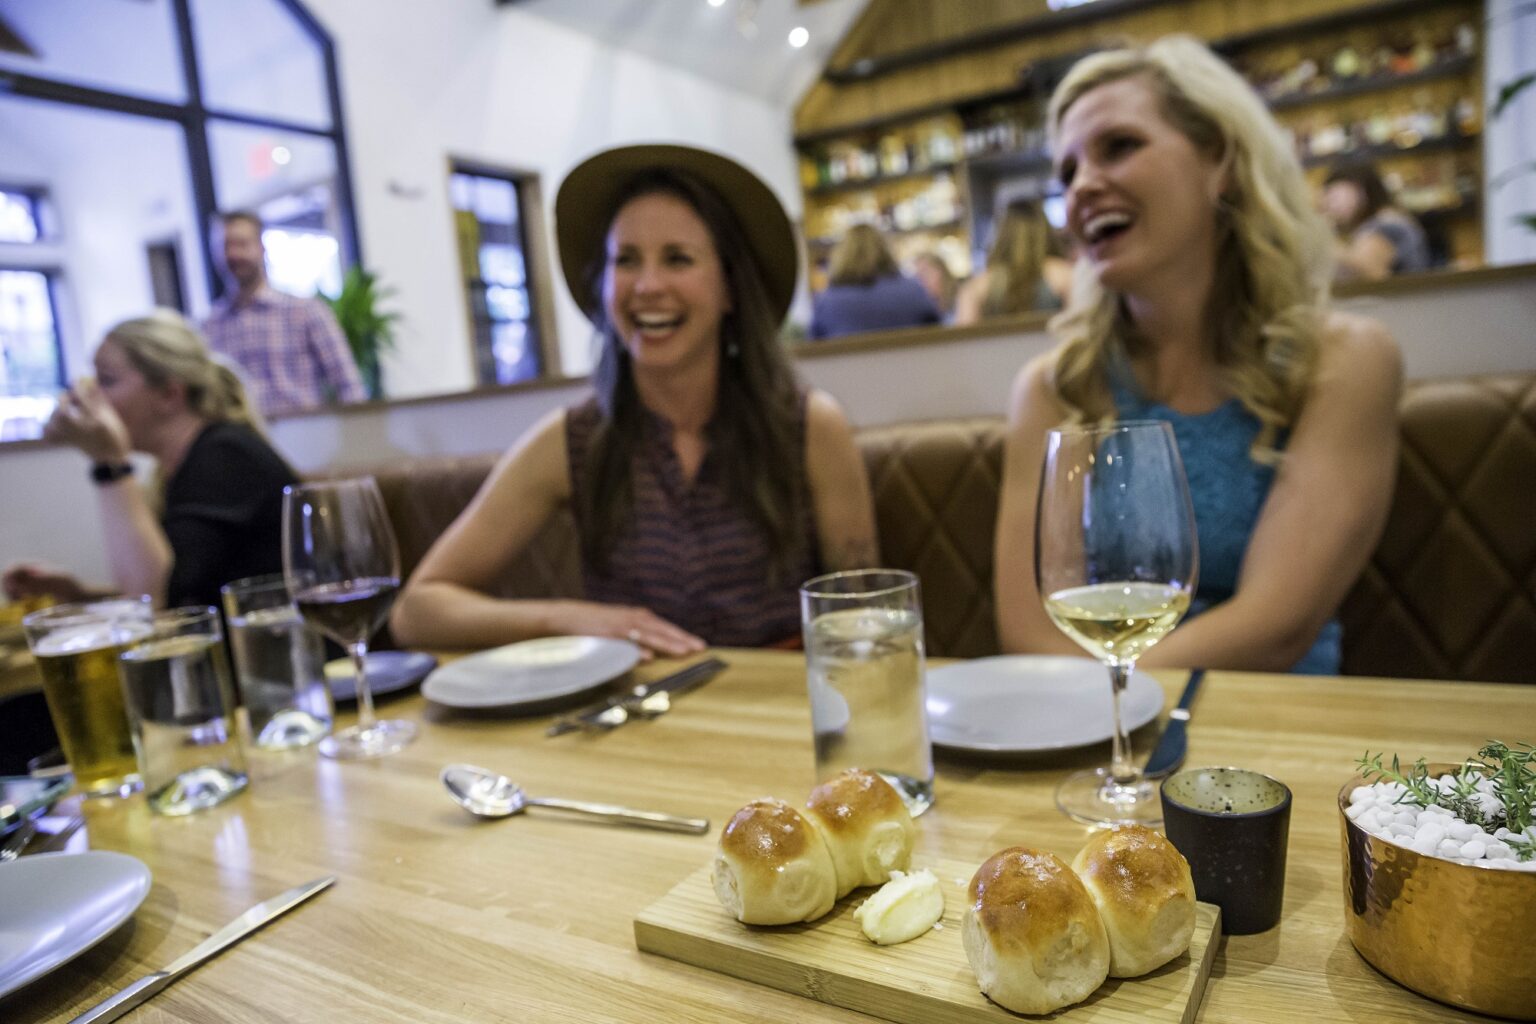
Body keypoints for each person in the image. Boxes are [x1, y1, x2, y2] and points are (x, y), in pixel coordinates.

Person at [993, 36, 1402, 675]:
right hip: (1104, 746)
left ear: (1221, 163)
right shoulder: (1051, 387)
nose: (1083, 189)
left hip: (1279, 726)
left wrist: (1117, 692)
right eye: (1067, 172)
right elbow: (1028, 632)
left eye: (1119, 147)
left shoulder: (1344, 361)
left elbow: (1276, 625)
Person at [390, 144, 878, 655]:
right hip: (633, 720)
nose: (647, 286)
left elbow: (866, 617)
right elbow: (417, 611)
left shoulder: (808, 426)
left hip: (779, 715)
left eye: (677, 259)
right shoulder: (571, 439)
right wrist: (570, 619)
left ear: (731, 287)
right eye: (625, 260)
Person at [3, 310, 299, 610]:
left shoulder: (225, 458)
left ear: (169, 394)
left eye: (106, 380)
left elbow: (153, 605)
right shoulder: (180, 466)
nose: (91, 394)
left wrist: (109, 462)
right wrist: (77, 593)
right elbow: (175, 590)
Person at [202, 211, 367, 416]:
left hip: (306, 438)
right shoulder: (209, 326)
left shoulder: (306, 312)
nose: (233, 254)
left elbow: (349, 385)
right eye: (226, 245)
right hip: (242, 443)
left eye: (242, 244)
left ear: (261, 247)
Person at [808, 224, 942, 339]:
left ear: (841, 254)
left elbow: (816, 349)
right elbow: (938, 336)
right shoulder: (913, 291)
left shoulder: (828, 301)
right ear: (885, 249)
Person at [954, 200, 1073, 325]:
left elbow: (965, 340)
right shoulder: (1065, 276)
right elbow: (1080, 330)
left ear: (1000, 235)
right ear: (1046, 231)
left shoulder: (975, 288)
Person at [1322, 163, 1431, 281]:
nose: (1330, 206)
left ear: (1361, 192)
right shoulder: (1383, 221)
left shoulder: (1386, 224)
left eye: (1335, 197)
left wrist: (1321, 241)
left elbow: (1369, 272)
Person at [911, 251, 959, 323]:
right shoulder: (924, 308)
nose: (921, 280)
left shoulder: (961, 299)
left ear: (942, 272)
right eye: (917, 276)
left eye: (926, 273)